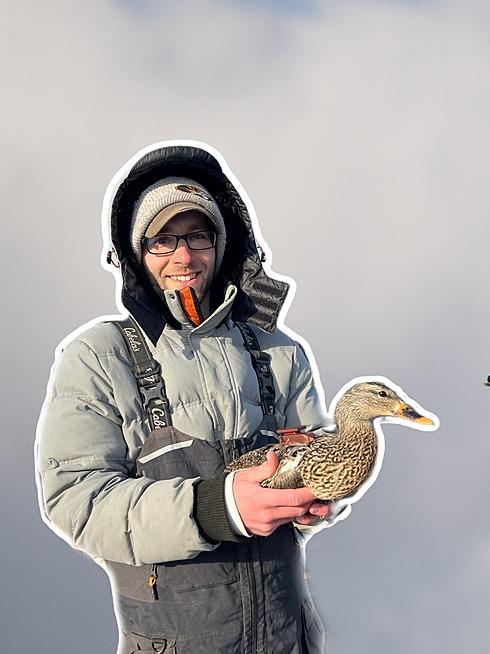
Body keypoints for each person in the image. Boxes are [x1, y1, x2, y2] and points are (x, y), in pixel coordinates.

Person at [36, 141, 332, 653]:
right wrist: (216, 507)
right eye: (162, 241)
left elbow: (320, 455)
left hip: (288, 639)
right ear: (134, 254)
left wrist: (317, 497)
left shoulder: (279, 350)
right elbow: (75, 501)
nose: (184, 256)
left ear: (222, 244)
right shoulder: (98, 356)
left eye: (197, 235)